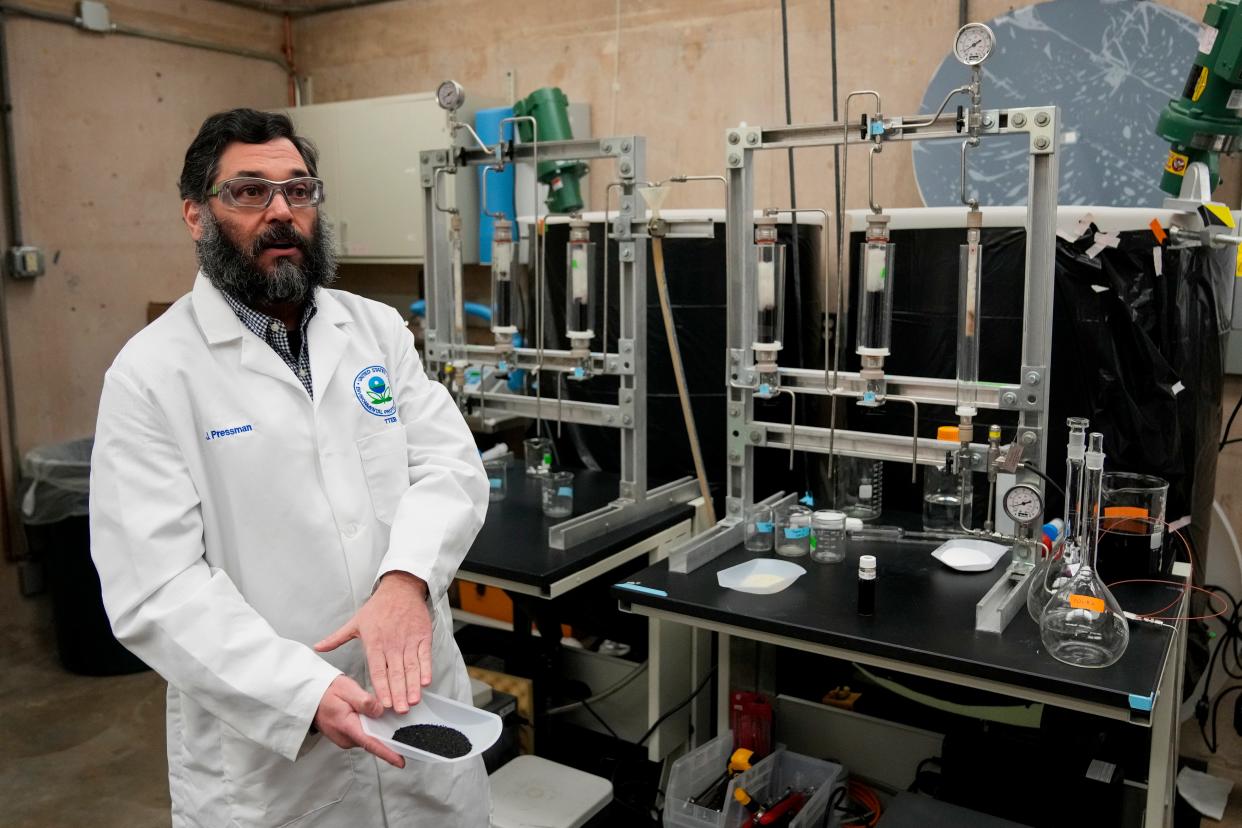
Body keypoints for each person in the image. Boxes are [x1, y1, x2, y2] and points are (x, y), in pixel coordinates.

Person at [89, 109, 490, 826]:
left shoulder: (374, 330)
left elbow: (450, 467)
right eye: (249, 192)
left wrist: (406, 579)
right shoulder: (151, 375)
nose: (281, 212)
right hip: (272, 762)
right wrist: (299, 692)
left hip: (420, 713)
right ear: (195, 215)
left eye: (298, 191)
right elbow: (154, 586)